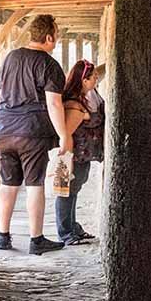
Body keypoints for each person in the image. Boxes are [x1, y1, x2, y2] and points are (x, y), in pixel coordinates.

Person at [0, 14, 71, 255]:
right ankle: (36, 239)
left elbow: (3, 90)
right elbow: (54, 104)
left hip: (5, 129)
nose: (56, 40)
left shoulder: (10, 58)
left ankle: (3, 237)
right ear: (48, 37)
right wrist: (64, 135)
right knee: (34, 184)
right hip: (32, 132)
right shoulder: (49, 65)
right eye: (56, 36)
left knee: (7, 184)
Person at [55, 59, 105, 245]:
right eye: (94, 77)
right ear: (84, 80)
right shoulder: (75, 104)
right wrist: (66, 161)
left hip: (83, 154)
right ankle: (66, 233)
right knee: (67, 192)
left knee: (73, 191)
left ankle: (72, 227)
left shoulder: (85, 98)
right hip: (74, 155)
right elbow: (67, 133)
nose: (96, 80)